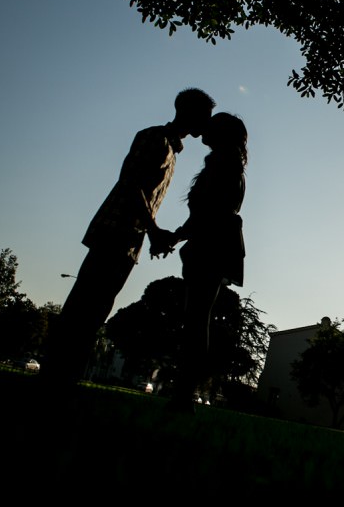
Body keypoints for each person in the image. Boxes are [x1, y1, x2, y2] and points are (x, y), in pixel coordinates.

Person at [44, 88, 216, 387]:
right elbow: (131, 183)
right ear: (189, 113)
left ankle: (64, 375)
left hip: (130, 238)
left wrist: (152, 233)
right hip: (116, 231)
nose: (207, 122)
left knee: (97, 308)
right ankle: (55, 373)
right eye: (205, 115)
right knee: (84, 305)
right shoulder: (154, 138)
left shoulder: (173, 151)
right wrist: (153, 230)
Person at [165, 112, 247, 411]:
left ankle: (184, 395)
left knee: (196, 319)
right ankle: (184, 394)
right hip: (217, 244)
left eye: (211, 129)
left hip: (210, 245)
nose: (203, 133)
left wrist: (176, 236)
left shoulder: (221, 165)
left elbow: (206, 213)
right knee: (198, 318)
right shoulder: (230, 166)